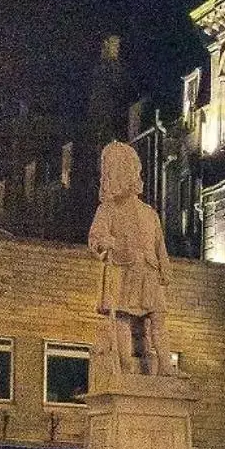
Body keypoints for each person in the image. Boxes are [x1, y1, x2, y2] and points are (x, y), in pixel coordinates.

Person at [87, 140, 173, 377]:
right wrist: (105, 243)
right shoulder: (108, 209)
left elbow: (159, 244)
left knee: (158, 317)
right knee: (123, 317)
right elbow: (96, 237)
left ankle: (165, 366)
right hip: (123, 269)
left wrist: (164, 267)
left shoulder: (149, 213)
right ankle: (125, 366)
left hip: (149, 271)